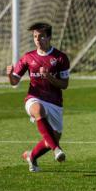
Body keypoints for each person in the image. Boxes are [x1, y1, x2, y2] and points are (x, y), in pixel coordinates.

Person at [6, 22, 70, 172]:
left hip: (55, 102)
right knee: (38, 110)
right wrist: (9, 75)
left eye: (41, 36)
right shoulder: (28, 57)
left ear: (49, 37)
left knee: (53, 137)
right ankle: (57, 150)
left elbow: (64, 84)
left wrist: (49, 77)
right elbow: (14, 81)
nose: (37, 39)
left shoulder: (60, 58)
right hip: (34, 98)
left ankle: (32, 156)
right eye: (35, 37)